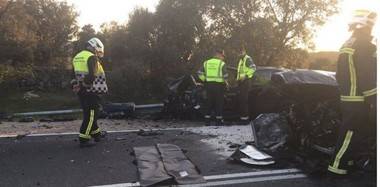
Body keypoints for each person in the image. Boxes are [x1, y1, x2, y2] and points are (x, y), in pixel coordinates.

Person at [327, 9, 377, 175]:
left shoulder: (349, 43)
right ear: (366, 25)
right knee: (349, 134)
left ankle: (348, 162)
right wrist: (374, 100)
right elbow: (367, 76)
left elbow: (339, 74)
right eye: (372, 24)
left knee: (353, 133)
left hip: (348, 97)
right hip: (358, 99)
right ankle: (337, 167)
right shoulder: (365, 45)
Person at [71, 38, 108, 148]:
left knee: (89, 113)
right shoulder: (91, 58)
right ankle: (84, 139)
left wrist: (75, 85)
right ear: (95, 47)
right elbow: (91, 76)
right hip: (92, 91)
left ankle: (97, 135)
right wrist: (85, 85)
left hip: (81, 91)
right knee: (91, 115)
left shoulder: (77, 56)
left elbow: (72, 75)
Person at [198, 49, 229, 126]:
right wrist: (227, 83)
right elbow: (225, 76)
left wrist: (205, 80)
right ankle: (218, 122)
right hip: (219, 86)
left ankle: (207, 121)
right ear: (218, 55)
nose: (223, 58)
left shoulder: (206, 62)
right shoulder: (222, 63)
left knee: (208, 103)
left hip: (208, 86)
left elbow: (199, 73)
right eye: (222, 56)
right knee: (218, 103)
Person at [236, 45, 256, 124]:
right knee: (241, 100)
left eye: (241, 52)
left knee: (244, 101)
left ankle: (245, 120)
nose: (239, 53)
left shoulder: (247, 59)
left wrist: (246, 76)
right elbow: (240, 72)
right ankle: (242, 119)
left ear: (244, 51)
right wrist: (237, 79)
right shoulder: (241, 60)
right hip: (241, 82)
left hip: (246, 82)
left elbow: (253, 68)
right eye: (238, 52)